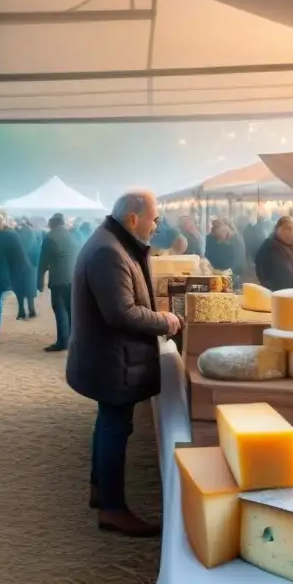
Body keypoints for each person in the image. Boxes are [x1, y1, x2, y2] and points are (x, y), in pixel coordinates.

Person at [68, 190, 181, 537]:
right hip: (111, 360)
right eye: (154, 218)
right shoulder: (108, 251)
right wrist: (165, 320)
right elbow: (122, 312)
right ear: (134, 218)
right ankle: (113, 509)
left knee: (109, 425)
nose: (156, 225)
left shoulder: (112, 242)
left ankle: (101, 491)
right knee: (115, 428)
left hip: (110, 358)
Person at [37, 212, 79, 352]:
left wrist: (39, 281)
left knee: (59, 309)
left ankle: (62, 341)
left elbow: (43, 261)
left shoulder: (50, 237)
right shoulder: (71, 235)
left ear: (52, 224)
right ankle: (73, 339)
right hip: (73, 278)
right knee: (71, 309)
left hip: (58, 280)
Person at [254, 215, 293, 291]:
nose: (292, 234)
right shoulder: (269, 247)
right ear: (277, 229)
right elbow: (284, 277)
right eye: (287, 229)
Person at [13, 219, 39, 320]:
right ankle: (31, 310)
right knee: (29, 289)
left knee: (19, 289)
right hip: (31, 265)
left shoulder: (17, 234)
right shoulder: (32, 233)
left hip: (19, 265)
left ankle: (21, 311)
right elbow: (37, 249)